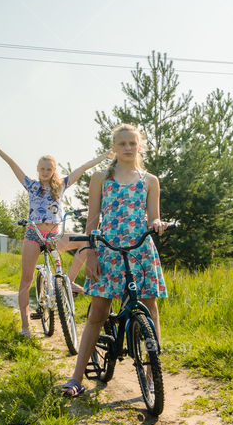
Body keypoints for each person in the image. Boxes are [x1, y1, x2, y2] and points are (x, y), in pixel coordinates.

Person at [60, 123, 168, 397]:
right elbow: (92, 219)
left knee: (149, 307)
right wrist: (91, 253)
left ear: (139, 146)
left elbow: (152, 216)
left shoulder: (150, 181)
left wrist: (158, 223)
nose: (128, 148)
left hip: (140, 250)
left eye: (133, 143)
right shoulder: (100, 178)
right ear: (114, 148)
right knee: (98, 313)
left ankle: (151, 373)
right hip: (107, 250)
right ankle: (75, 379)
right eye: (122, 144)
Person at [0, 136, 108, 336]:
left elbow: (82, 168)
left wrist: (104, 156)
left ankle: (69, 281)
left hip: (55, 235)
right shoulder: (31, 185)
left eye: (49, 169)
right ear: (38, 170)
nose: (46, 172)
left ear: (54, 170)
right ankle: (25, 326)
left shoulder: (62, 185)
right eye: (42, 169)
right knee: (26, 280)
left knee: (87, 241)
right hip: (34, 234)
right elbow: (11, 163)